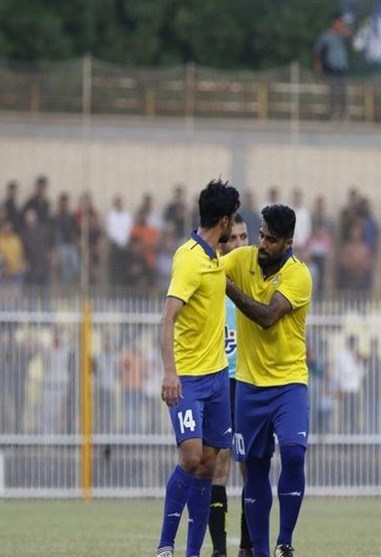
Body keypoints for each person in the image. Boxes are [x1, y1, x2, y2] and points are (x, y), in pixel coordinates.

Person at [157, 179, 240, 557]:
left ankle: (192, 552)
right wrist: (170, 372)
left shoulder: (216, 259)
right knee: (191, 458)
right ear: (223, 221)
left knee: (208, 466)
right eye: (232, 222)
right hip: (188, 379)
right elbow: (167, 319)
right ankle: (165, 545)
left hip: (218, 378)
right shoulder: (189, 259)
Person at [224, 204, 313, 557]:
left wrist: (229, 289)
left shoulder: (298, 275)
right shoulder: (242, 259)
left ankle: (284, 542)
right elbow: (208, 268)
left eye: (271, 240)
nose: (262, 244)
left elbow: (266, 317)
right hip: (249, 385)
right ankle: (260, 551)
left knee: (293, 454)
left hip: (289, 383)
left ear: (288, 242)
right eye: (261, 235)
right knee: (254, 467)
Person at [209, 214, 252, 557]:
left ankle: (248, 546)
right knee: (219, 463)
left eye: (243, 237)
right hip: (221, 379)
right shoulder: (212, 280)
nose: (238, 243)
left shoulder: (256, 280)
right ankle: (220, 550)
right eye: (232, 238)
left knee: (251, 464)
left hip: (250, 381)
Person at [313, 12, 351, 121]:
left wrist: (344, 30)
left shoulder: (342, 36)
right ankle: (334, 113)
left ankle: (343, 114)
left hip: (342, 67)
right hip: (331, 67)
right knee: (333, 91)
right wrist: (317, 64)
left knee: (343, 91)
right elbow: (317, 49)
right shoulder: (326, 35)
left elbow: (351, 36)